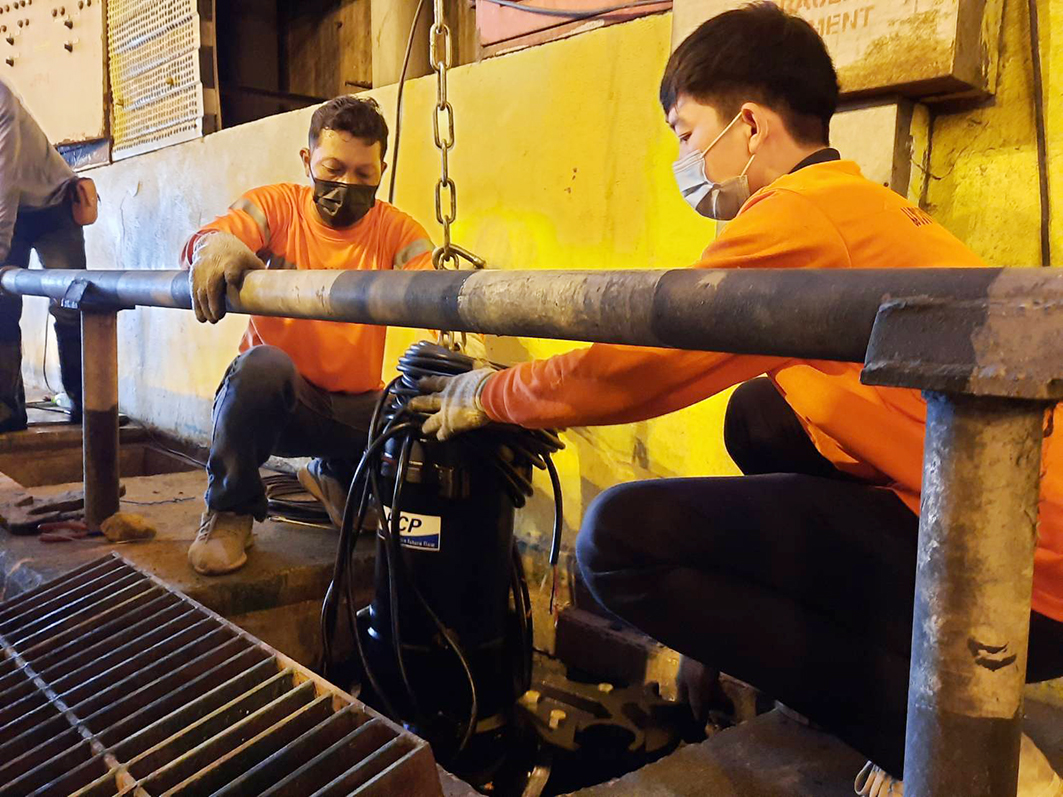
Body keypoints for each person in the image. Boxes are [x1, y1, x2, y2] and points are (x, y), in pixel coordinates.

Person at [410, 5, 1063, 795]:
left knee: (616, 541)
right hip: (1016, 527)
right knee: (759, 413)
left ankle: (968, 752)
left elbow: (637, 362)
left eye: (686, 133)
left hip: (1015, 585)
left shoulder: (796, 217)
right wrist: (711, 638)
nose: (683, 157)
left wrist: (492, 393)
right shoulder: (854, 203)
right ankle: (887, 687)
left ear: (748, 126)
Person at [181, 95, 434, 576]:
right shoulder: (278, 206)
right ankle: (229, 511)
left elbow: (433, 284)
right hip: (285, 403)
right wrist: (216, 246)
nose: (346, 184)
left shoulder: (397, 229)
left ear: (383, 168)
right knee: (260, 366)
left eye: (364, 174)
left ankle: (337, 476)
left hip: (356, 412)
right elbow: (218, 232)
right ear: (307, 160)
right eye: (333, 168)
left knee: (418, 404)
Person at [0, 78, 87, 433]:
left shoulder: (0, 102)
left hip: (53, 206)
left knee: (69, 304)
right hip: (13, 211)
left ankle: (87, 404)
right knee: (2, 307)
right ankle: (7, 411)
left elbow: (3, 190)